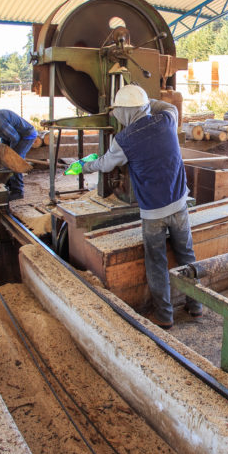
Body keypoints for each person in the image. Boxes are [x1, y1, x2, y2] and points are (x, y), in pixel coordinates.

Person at [78, 85, 198, 329]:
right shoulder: (167, 118)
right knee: (187, 255)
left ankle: (164, 316)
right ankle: (196, 306)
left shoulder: (123, 140)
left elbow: (105, 164)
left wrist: (83, 166)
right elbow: (168, 105)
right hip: (179, 203)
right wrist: (144, 100)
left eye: (118, 111)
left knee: (156, 262)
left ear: (124, 112)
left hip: (154, 212)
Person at [0, 107, 38, 200]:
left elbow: (15, 138)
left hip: (26, 136)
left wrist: (10, 155)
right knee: (7, 161)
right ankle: (8, 183)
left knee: (14, 162)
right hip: (15, 136)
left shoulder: (0, 122)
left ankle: (18, 191)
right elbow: (4, 136)